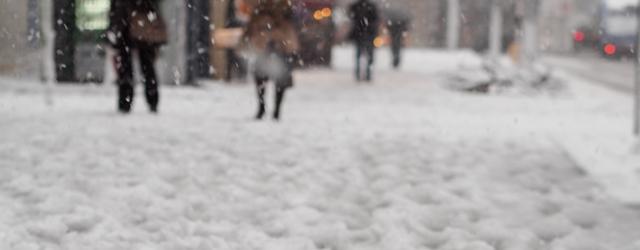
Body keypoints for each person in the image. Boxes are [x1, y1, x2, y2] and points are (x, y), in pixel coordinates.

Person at [243, 0, 300, 120]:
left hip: (278, 41)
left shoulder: (281, 9)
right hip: (267, 40)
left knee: (279, 79)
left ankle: (273, 110)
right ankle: (264, 108)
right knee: (262, 77)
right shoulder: (261, 10)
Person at [107, 0, 167, 114]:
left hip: (133, 24)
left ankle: (127, 101)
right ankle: (148, 100)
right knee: (143, 66)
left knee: (133, 66)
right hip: (135, 25)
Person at [348, 0, 379, 82]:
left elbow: (351, 17)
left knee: (359, 54)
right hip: (368, 33)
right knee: (368, 55)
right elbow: (376, 19)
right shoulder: (371, 6)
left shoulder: (356, 6)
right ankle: (367, 74)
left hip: (360, 33)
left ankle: (359, 73)